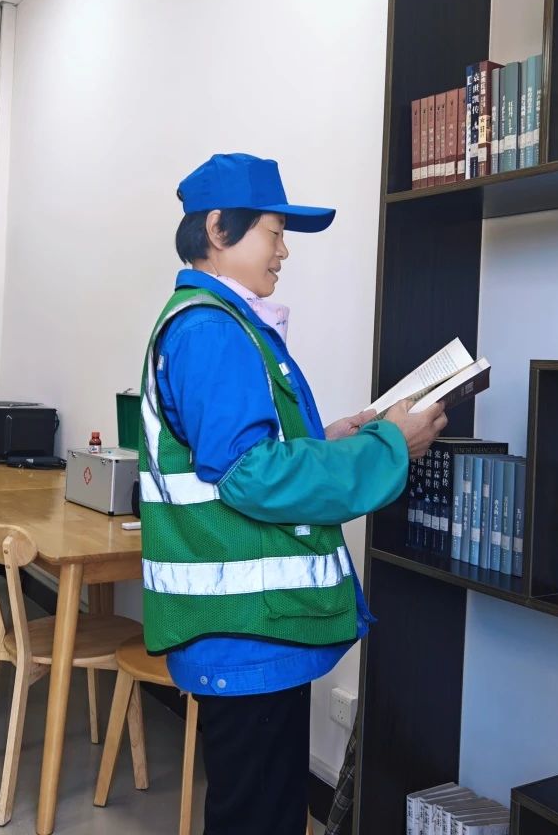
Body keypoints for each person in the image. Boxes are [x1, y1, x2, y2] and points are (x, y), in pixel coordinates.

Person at [138, 153, 447, 834]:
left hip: (249, 629)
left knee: (267, 811)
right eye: (274, 232)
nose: (284, 251)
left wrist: (336, 438)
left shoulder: (216, 321)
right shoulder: (212, 329)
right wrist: (388, 447)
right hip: (245, 630)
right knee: (258, 817)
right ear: (218, 229)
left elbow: (244, 455)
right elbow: (251, 474)